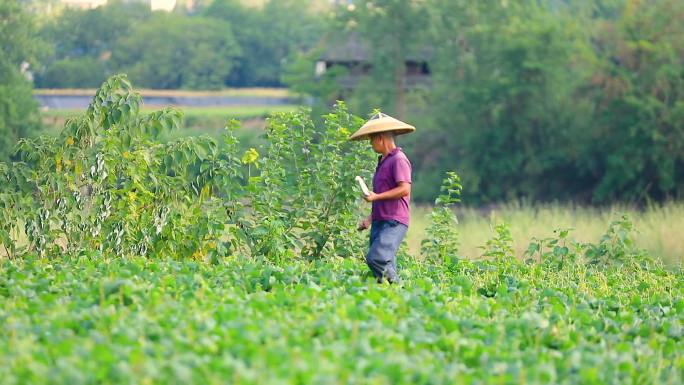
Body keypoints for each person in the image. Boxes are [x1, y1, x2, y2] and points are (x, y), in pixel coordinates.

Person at [349, 113, 415, 283]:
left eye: (371, 140)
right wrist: (370, 219)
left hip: (393, 221)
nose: (371, 144)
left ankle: (399, 289)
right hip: (380, 220)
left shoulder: (399, 160)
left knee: (376, 258)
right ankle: (393, 298)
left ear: (380, 139)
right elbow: (383, 197)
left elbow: (404, 189)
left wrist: (376, 196)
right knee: (385, 262)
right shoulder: (383, 162)